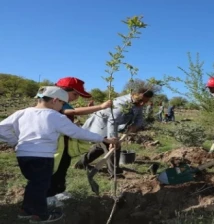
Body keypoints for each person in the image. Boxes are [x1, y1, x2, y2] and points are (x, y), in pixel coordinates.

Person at [0, 86, 117, 223]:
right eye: (62, 103)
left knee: (34, 183)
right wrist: (103, 139)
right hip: (43, 156)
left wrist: (15, 142)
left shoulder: (22, 113)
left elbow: (2, 129)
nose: (62, 107)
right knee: (41, 186)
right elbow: (78, 132)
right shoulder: (55, 116)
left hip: (23, 155)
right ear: (55, 100)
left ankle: (26, 210)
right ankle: (41, 215)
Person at [47, 77, 112, 206]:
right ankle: (49, 196)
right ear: (63, 90)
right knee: (53, 169)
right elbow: (73, 111)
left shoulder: (64, 102)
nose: (76, 97)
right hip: (53, 144)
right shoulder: (55, 103)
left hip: (64, 144)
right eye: (75, 94)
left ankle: (59, 190)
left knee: (63, 167)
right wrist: (100, 107)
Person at [74, 87, 154, 178]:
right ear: (134, 96)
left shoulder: (139, 103)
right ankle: (115, 173)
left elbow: (139, 117)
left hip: (112, 124)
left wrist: (135, 125)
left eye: (145, 102)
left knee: (101, 147)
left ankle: (81, 164)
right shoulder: (121, 104)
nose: (142, 104)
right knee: (114, 147)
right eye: (141, 101)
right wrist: (112, 139)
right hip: (102, 124)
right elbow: (112, 121)